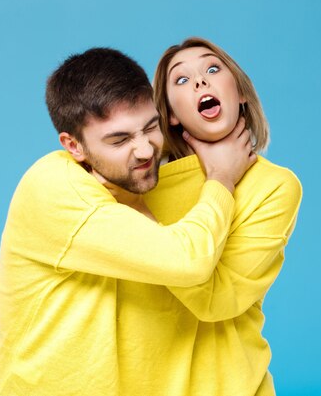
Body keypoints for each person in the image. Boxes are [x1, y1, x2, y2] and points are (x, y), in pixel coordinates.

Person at [0, 47, 256, 395]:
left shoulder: (127, 186)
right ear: (73, 145)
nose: (144, 150)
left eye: (150, 127)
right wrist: (221, 177)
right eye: (120, 139)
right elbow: (189, 261)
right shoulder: (56, 189)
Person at [115, 37, 303, 396]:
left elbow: (216, 300)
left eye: (212, 69)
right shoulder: (142, 181)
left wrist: (221, 180)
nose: (201, 81)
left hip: (228, 384)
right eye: (181, 79)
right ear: (169, 114)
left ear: (240, 93)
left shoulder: (275, 186)